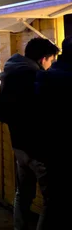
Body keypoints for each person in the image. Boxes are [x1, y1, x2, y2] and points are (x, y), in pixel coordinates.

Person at [0, 37, 59, 230]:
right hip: (38, 147)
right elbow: (44, 113)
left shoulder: (11, 74)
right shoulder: (35, 78)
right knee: (53, 199)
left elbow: (1, 112)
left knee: (23, 193)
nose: (51, 65)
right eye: (51, 60)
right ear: (43, 59)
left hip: (19, 145)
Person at [36, 36, 72, 224]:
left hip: (49, 147)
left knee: (54, 200)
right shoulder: (63, 77)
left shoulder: (47, 76)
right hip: (62, 147)